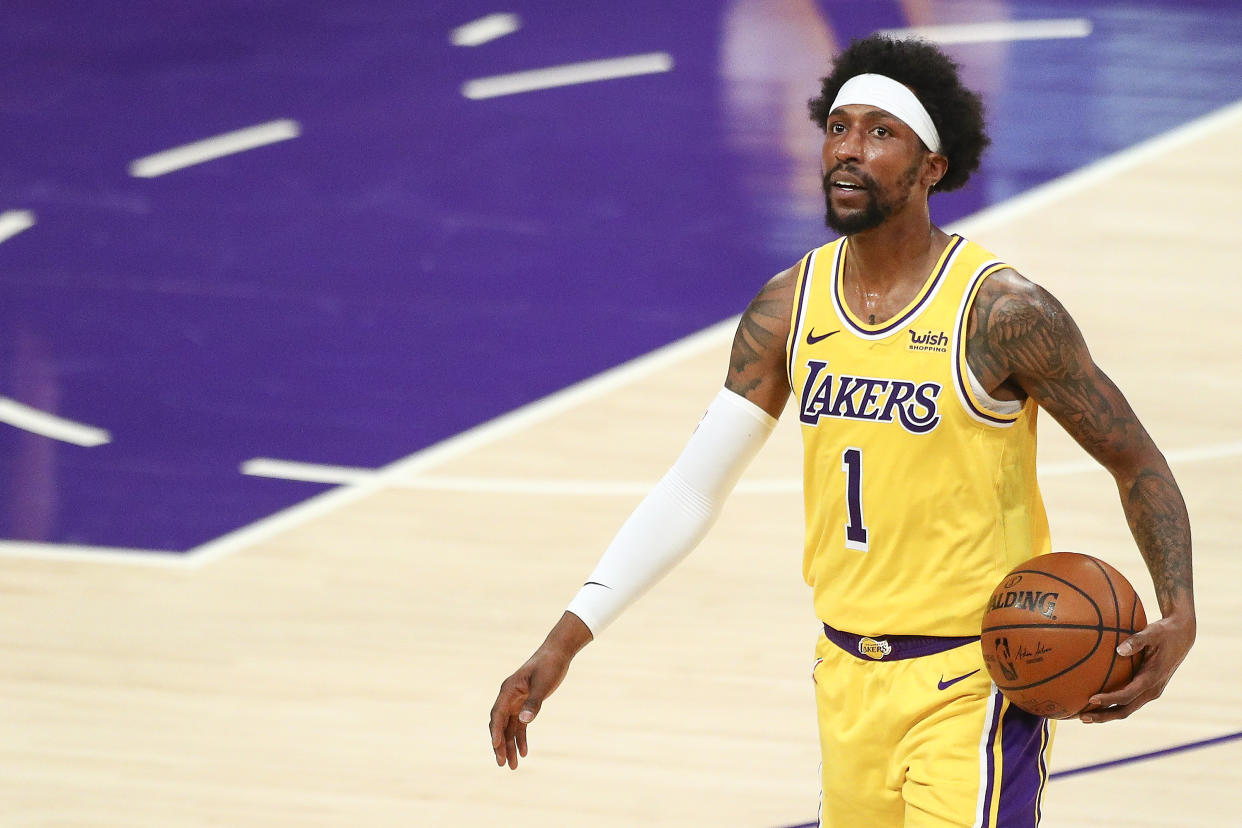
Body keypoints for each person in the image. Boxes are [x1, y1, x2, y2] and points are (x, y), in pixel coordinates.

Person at [488, 34, 1195, 827]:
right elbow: (691, 489)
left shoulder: (1002, 313)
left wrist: (1180, 611)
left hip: (976, 682)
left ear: (933, 166)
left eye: (880, 132)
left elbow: (1135, 460)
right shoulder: (790, 306)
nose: (849, 151)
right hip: (845, 677)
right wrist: (562, 643)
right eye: (838, 127)